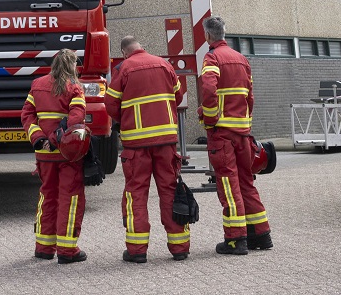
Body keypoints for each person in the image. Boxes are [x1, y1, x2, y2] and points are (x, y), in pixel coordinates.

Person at [103, 35, 188, 262]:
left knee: (136, 194)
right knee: (170, 190)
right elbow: (178, 96)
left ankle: (137, 251)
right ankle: (180, 247)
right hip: (166, 142)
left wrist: (127, 118)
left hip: (136, 145)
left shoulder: (124, 69)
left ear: (124, 52)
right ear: (143, 47)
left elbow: (110, 104)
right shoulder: (164, 64)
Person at [199, 17, 271, 254]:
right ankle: (261, 235)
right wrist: (245, 125)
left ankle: (235, 240)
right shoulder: (241, 59)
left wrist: (209, 118)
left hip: (223, 135)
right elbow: (250, 98)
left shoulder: (212, 58)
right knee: (246, 182)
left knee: (229, 185)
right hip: (242, 133)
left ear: (208, 36)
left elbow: (209, 90)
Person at [21, 48, 91, 264]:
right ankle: (67, 251)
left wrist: (39, 139)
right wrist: (54, 139)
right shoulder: (74, 87)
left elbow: (27, 115)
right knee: (69, 198)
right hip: (65, 153)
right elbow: (76, 118)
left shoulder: (37, 85)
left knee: (47, 196)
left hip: (43, 155)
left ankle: (43, 248)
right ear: (71, 65)